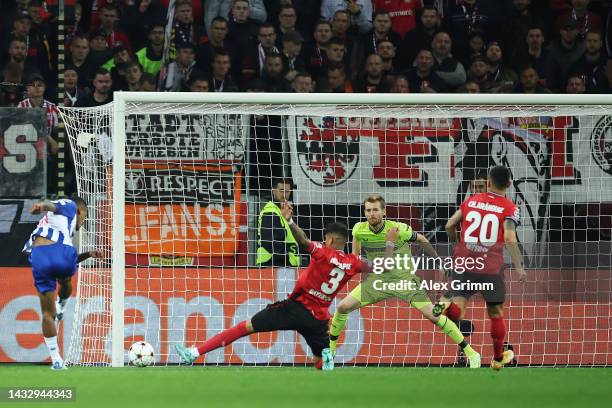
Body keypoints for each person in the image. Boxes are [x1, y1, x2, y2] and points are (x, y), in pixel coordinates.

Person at [176, 203, 400, 370]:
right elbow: (385, 267)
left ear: (329, 240)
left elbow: (303, 241)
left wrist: (289, 221)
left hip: (294, 308)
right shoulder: (353, 263)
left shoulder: (322, 251)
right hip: (319, 319)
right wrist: (389, 241)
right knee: (320, 361)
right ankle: (327, 362)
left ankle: (193, 352)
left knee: (244, 328)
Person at [329, 195, 481, 368]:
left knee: (433, 315)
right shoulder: (358, 229)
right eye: (368, 210)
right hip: (377, 282)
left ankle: (471, 352)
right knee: (342, 307)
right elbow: (355, 258)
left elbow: (422, 240)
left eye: (375, 210)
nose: (371, 214)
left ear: (384, 211)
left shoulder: (398, 228)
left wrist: (438, 261)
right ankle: (331, 351)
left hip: (405, 281)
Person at [440, 165, 526, 370]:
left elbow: (449, 225)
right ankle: (497, 359)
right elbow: (508, 236)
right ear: (509, 183)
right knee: (495, 313)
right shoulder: (510, 207)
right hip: (490, 268)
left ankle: (445, 306)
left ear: (488, 183)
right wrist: (519, 266)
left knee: (456, 313)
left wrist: (457, 244)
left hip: (465, 263)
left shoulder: (471, 201)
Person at [23, 198, 102, 370]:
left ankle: (56, 360)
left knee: (46, 314)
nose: (82, 223)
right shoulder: (71, 205)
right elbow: (53, 205)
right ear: (81, 211)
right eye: (85, 218)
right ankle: (61, 307)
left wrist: (88, 254)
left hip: (39, 256)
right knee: (66, 280)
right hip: (60, 253)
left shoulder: (60, 226)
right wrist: (42, 206)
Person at [256, 179, 299, 268]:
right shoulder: (270, 211)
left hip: (284, 266)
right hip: (273, 265)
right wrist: (287, 261)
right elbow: (269, 243)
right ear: (273, 190)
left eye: (287, 191)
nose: (284, 194)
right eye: (281, 190)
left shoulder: (284, 211)